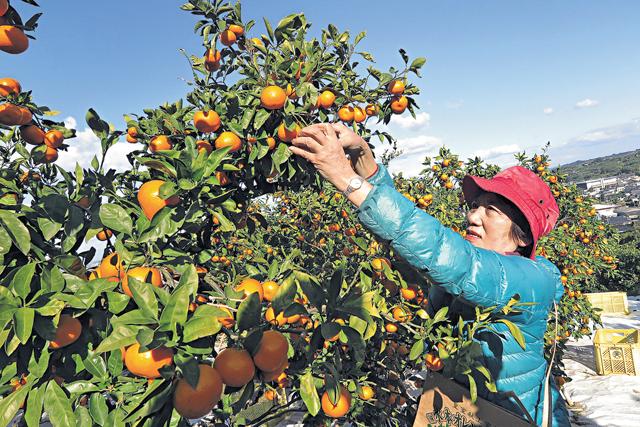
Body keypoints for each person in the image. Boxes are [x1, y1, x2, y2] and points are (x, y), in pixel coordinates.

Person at [289, 123, 571, 426]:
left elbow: (448, 256)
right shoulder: (469, 267)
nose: (472, 216)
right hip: (459, 412)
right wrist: (364, 161)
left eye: (491, 211)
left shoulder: (531, 279)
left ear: (524, 236)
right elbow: (415, 243)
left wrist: (345, 178)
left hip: (510, 418)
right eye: (475, 206)